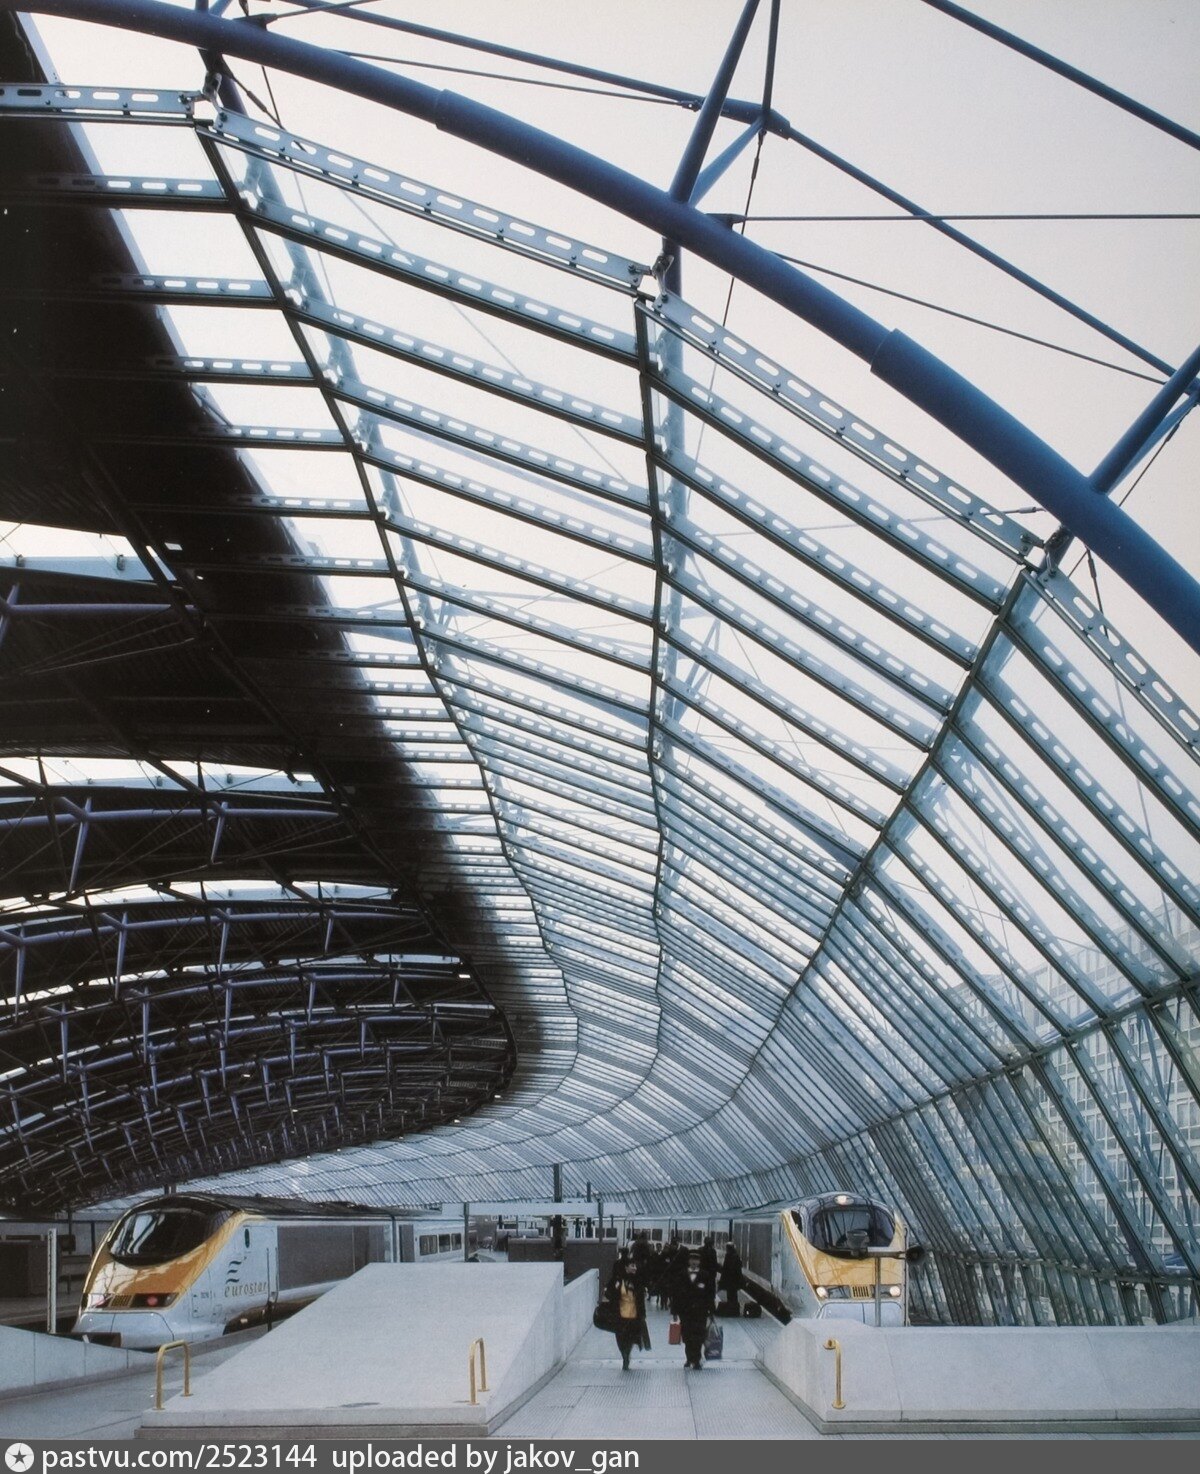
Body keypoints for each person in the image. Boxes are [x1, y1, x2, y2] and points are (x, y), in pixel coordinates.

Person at [604, 1246, 650, 1370]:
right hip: (620, 1315)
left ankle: (626, 1355)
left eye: (635, 1266)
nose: (635, 1268)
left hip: (634, 1316)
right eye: (632, 1266)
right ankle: (624, 1354)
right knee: (620, 1338)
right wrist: (615, 1289)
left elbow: (641, 1300)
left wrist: (643, 1314)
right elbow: (608, 1293)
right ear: (626, 1267)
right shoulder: (618, 1280)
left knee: (630, 1338)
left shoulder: (638, 1281)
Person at [671, 1249, 715, 1370]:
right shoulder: (681, 1275)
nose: (694, 1262)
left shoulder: (705, 1276)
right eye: (692, 1259)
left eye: (696, 1260)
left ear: (699, 1262)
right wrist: (674, 1311)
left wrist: (711, 1311)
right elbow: (675, 1294)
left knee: (699, 1336)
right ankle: (689, 1358)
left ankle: (696, 1360)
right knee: (687, 1336)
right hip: (685, 1312)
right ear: (688, 1261)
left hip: (700, 1312)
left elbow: (710, 1294)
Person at [719, 1241, 743, 1313]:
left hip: (730, 1279)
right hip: (734, 1280)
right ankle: (735, 1310)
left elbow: (726, 1268)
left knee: (730, 1295)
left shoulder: (729, 1255)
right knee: (734, 1295)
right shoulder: (736, 1255)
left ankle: (731, 1310)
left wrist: (722, 1279)